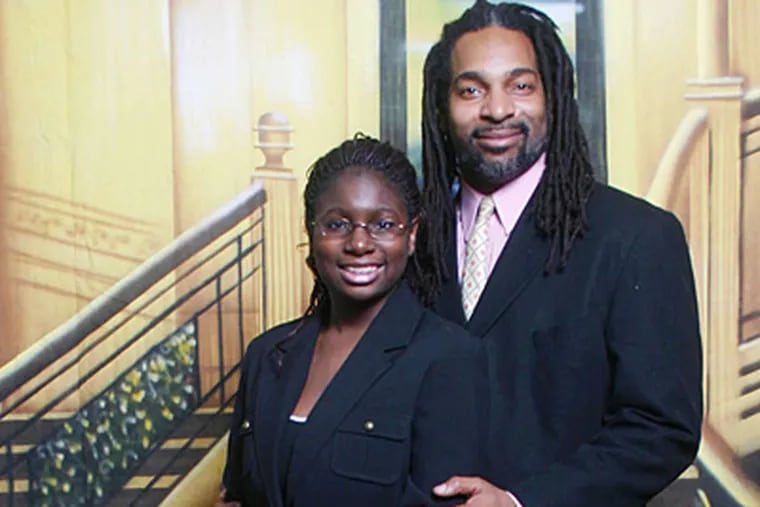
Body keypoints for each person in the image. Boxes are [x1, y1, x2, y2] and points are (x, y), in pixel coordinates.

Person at [418, 2, 703, 506]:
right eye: (471, 89)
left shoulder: (635, 237)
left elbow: (660, 428)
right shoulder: (405, 239)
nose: (498, 109)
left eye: (521, 86)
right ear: (442, 106)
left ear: (554, 97)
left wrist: (520, 502)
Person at [218, 136, 489, 507]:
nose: (359, 243)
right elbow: (237, 495)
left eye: (382, 224)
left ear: (411, 236)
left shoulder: (447, 357)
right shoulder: (267, 355)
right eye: (337, 224)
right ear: (312, 233)